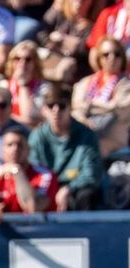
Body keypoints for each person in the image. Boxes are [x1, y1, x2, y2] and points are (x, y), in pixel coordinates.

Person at [28, 81, 104, 211]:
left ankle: (86, 231)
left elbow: (91, 173)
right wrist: (51, 190)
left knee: (87, 194)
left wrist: (68, 189)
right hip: (46, 187)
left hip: (76, 189)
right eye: (51, 106)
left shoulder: (86, 135)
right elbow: (32, 169)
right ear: (44, 110)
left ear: (70, 108)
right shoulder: (37, 137)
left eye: (62, 106)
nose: (56, 111)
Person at [0, 124, 55, 224]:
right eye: (9, 145)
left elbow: (32, 206)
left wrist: (17, 172)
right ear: (1, 150)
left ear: (28, 150)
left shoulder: (44, 175)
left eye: (20, 145)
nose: (15, 149)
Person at [72, 36, 130, 155]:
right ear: (99, 58)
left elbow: (119, 108)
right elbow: (76, 107)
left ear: (123, 58)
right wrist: (83, 120)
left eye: (117, 54)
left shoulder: (126, 83)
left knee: (89, 150)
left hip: (111, 140)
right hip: (83, 131)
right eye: (106, 54)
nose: (112, 58)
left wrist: (88, 106)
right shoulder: (85, 82)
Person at [41, 0, 101, 84]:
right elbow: (40, 32)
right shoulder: (58, 12)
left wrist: (62, 39)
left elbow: (86, 50)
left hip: (76, 74)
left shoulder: (96, 23)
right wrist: (52, 42)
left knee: (67, 66)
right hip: (50, 61)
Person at [4, 41, 47, 128]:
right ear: (11, 62)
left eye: (28, 59)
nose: (22, 63)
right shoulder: (3, 86)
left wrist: (23, 84)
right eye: (17, 59)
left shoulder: (45, 88)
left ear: (35, 63)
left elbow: (30, 116)